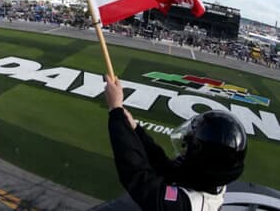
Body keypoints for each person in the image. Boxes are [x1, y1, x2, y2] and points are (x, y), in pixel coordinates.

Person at [104, 75, 247, 211]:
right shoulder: (210, 179)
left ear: (202, 161)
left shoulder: (189, 204)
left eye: (190, 148)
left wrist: (115, 110)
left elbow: (139, 179)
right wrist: (134, 128)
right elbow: (165, 167)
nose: (185, 150)